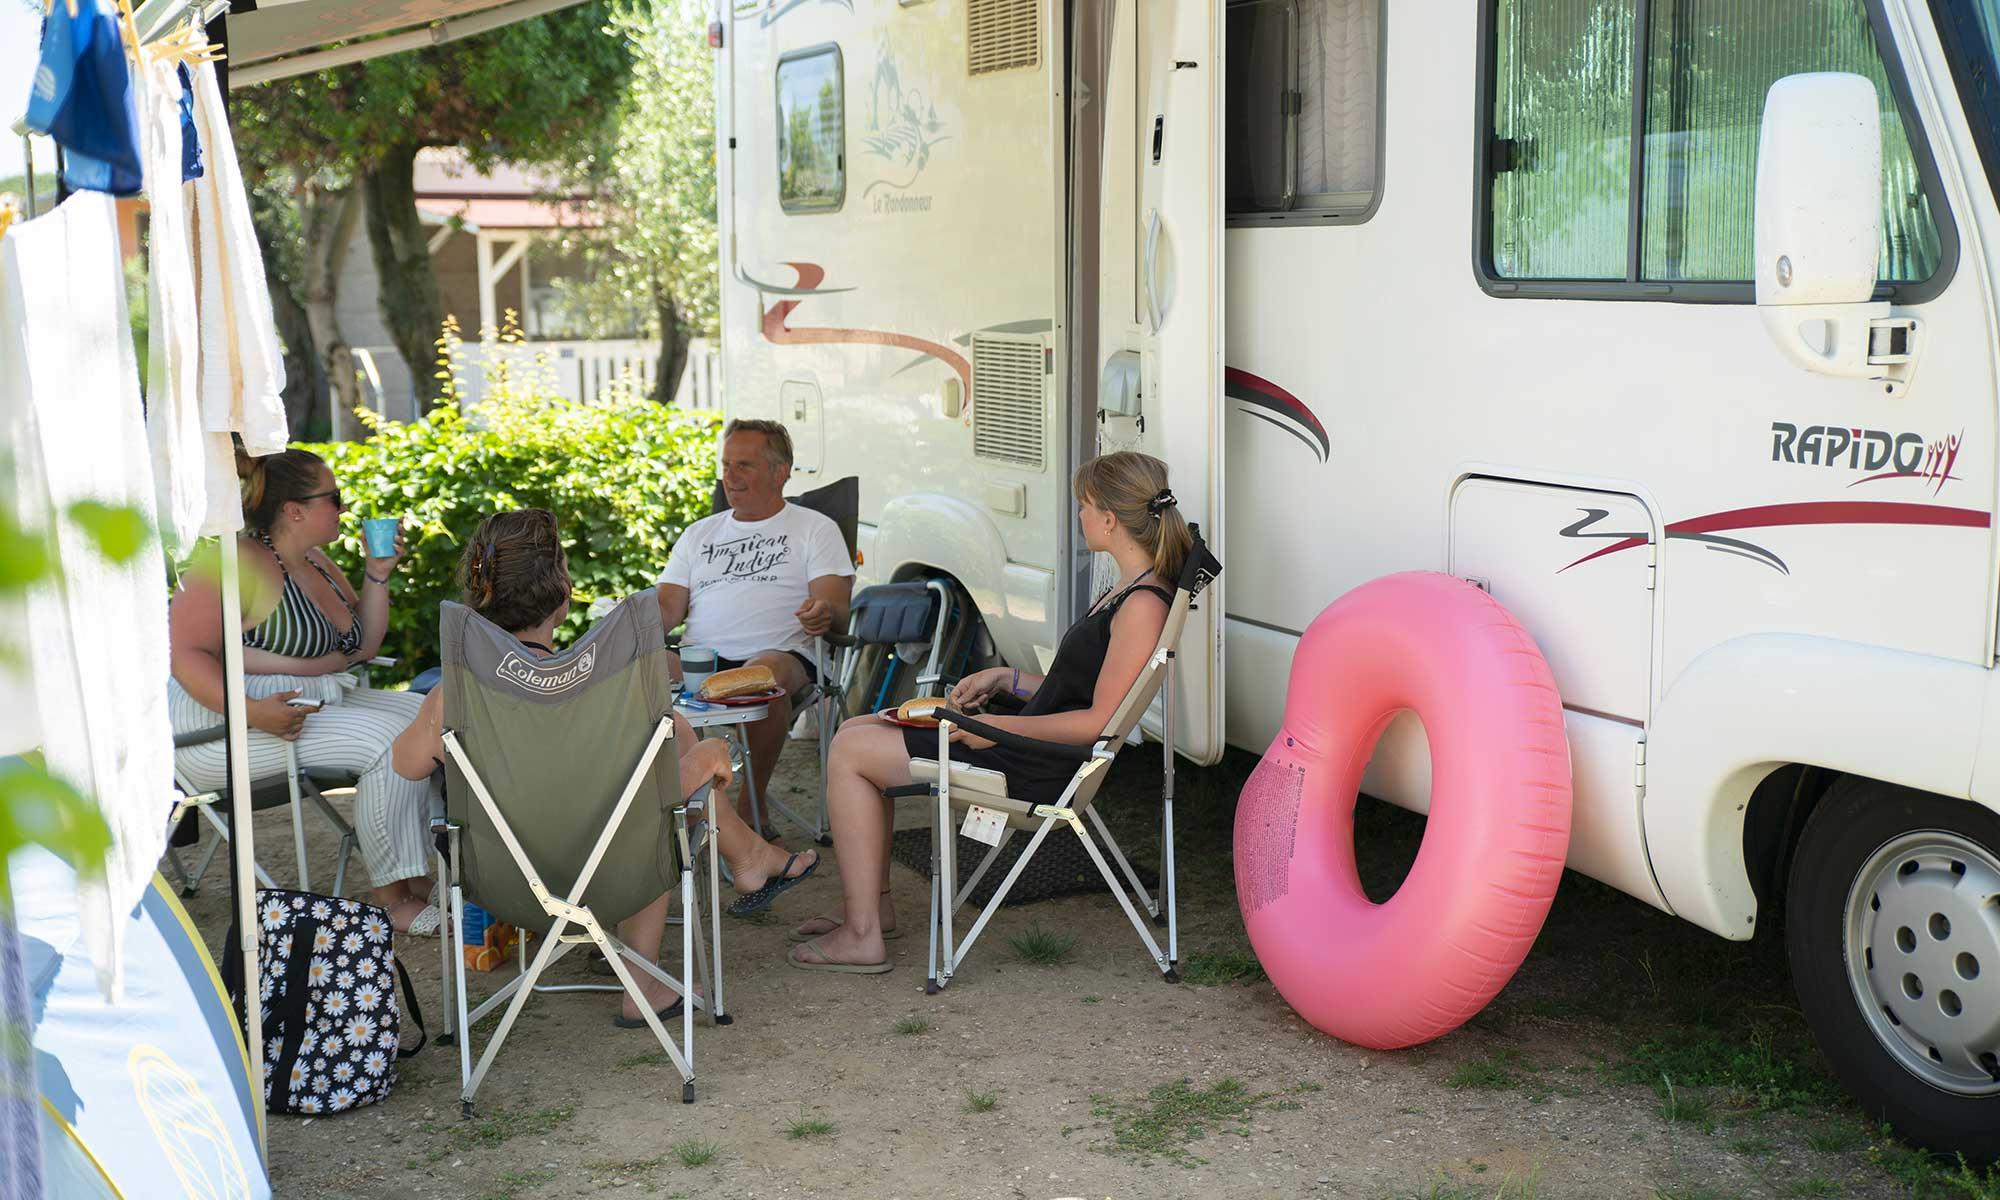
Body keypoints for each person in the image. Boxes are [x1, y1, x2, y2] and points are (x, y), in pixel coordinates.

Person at [393, 509, 818, 1025]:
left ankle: (749, 857)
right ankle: (647, 979)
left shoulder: (454, 695)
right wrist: (707, 759)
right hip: (615, 875)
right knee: (668, 790)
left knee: (673, 747)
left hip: (505, 883)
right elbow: (649, 792)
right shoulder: (605, 697)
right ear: (563, 595)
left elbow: (407, 765)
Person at [789, 451, 1190, 973]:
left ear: (1110, 520)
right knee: (857, 728)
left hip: (1039, 765)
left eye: (1084, 506)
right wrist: (1007, 679)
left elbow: (1098, 722)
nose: (1080, 517)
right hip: (1034, 744)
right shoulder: (1129, 590)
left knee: (850, 752)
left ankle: (863, 934)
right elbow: (1079, 690)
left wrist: (990, 726)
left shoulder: (1141, 605)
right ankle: (871, 908)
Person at [168, 447, 439, 934]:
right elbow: (184, 653)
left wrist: (378, 573)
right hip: (220, 726)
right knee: (391, 744)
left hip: (302, 703)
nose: (344, 506)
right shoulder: (232, 563)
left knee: (429, 716)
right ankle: (393, 899)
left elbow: (363, 644)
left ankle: (417, 876)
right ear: (295, 510)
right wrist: (250, 711)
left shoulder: (315, 560)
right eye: (334, 497)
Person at [657, 419, 854, 829]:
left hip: (782, 656)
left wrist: (823, 612)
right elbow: (667, 610)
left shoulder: (814, 529)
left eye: (743, 465)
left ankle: (750, 804)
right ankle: (671, 805)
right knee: (636, 674)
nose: (730, 476)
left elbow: (836, 606)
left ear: (780, 471)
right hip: (702, 662)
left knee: (763, 675)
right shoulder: (699, 534)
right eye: (726, 465)